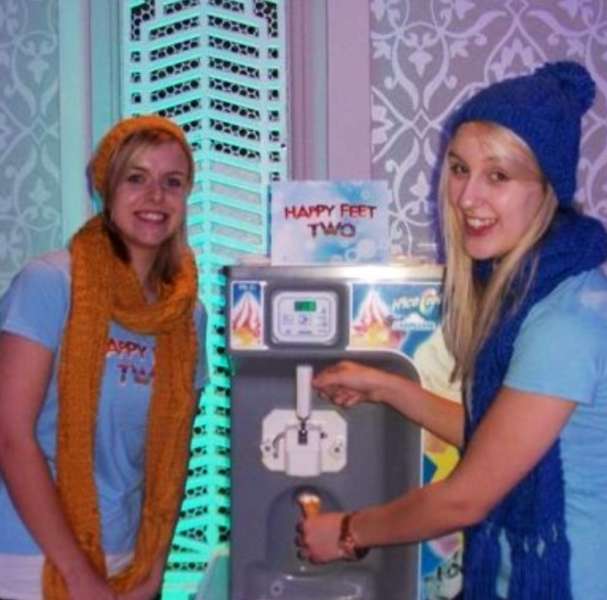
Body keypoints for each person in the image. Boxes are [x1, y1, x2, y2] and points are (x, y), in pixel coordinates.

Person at [297, 61, 607, 600]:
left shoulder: (564, 321)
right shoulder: (531, 292)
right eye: (460, 169)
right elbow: (498, 439)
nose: (466, 197)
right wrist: (387, 387)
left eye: (498, 176)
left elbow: (466, 499)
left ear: (547, 189)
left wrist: (347, 532)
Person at [0, 114, 207, 600]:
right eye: (136, 178)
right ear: (105, 188)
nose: (155, 196)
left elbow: (175, 455)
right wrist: (79, 576)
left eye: (172, 182)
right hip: (30, 561)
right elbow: (10, 437)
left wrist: (154, 568)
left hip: (129, 562)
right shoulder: (50, 283)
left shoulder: (187, 316)